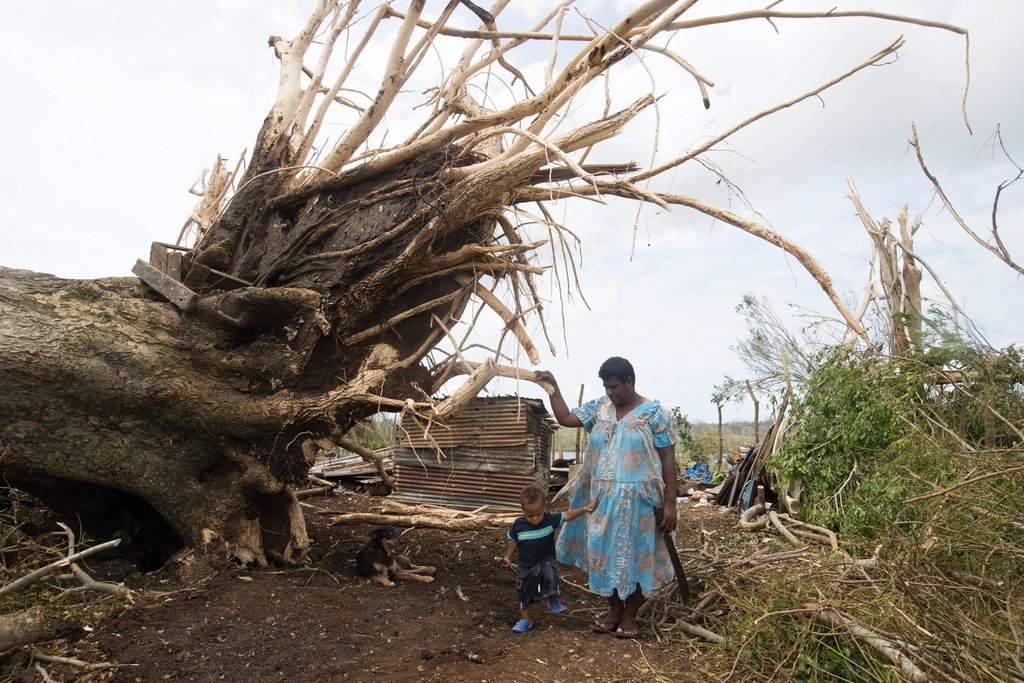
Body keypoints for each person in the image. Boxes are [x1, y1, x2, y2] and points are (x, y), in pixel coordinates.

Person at [536, 357, 679, 639]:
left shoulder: (654, 413)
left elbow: (668, 460)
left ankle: (630, 614)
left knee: (640, 557)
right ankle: (613, 609)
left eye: (614, 386)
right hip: (602, 499)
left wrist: (671, 504)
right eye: (605, 387)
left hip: (643, 501)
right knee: (602, 554)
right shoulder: (599, 408)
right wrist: (553, 389)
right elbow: (565, 419)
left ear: (629, 381)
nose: (609, 392)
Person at [502, 484, 595, 633]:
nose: (535, 518)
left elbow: (567, 515)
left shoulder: (549, 519)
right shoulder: (519, 524)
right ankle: (525, 620)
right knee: (525, 593)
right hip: (526, 565)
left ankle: (553, 600)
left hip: (546, 560)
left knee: (551, 575)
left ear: (544, 507)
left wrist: (584, 509)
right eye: (530, 515)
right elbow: (514, 541)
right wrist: (507, 556)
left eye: (539, 513)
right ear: (523, 511)